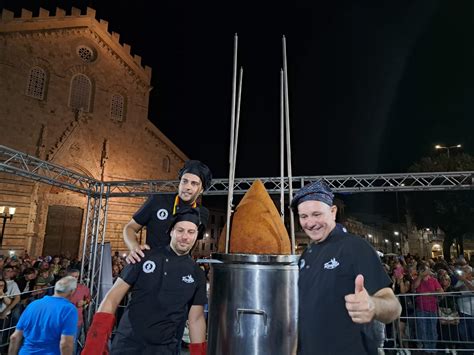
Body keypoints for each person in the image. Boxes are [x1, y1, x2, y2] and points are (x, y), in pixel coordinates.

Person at [291, 181, 401, 355]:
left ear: (333, 212)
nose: (310, 223)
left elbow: (393, 307)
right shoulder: (306, 255)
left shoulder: (355, 247)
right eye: (303, 216)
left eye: (316, 214)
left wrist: (373, 305)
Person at [83, 207, 208, 355]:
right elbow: (112, 298)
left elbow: (196, 319)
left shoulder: (197, 273)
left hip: (165, 349)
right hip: (127, 344)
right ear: (171, 231)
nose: (185, 237)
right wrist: (95, 344)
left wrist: (199, 352)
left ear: (196, 235)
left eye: (191, 232)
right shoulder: (143, 256)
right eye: (180, 230)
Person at [123, 160, 212, 264]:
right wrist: (134, 247)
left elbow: (194, 241)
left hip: (178, 269)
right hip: (151, 266)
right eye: (184, 181)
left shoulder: (203, 213)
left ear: (201, 190)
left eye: (194, 183)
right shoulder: (158, 200)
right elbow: (130, 228)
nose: (187, 187)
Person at [8, 276, 78, 355]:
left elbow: (14, 337)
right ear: (72, 291)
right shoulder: (69, 309)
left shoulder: (33, 305)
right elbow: (65, 344)